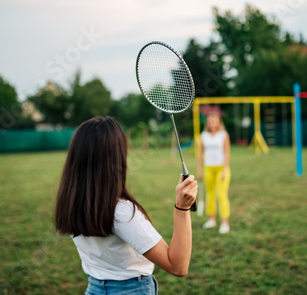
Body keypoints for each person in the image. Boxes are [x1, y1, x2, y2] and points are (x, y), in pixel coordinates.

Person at [55, 116, 198, 295]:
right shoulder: (120, 212)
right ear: (116, 157)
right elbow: (178, 266)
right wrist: (182, 209)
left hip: (95, 288)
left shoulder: (72, 201)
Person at [197, 112, 231, 234]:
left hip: (221, 169)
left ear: (218, 122)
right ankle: (211, 219)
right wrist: (199, 170)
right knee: (209, 195)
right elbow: (200, 155)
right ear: (207, 123)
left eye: (214, 121)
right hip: (208, 168)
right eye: (210, 121)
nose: (212, 123)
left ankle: (224, 223)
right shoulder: (204, 135)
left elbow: (227, 153)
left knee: (221, 195)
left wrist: (224, 170)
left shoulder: (223, 135)